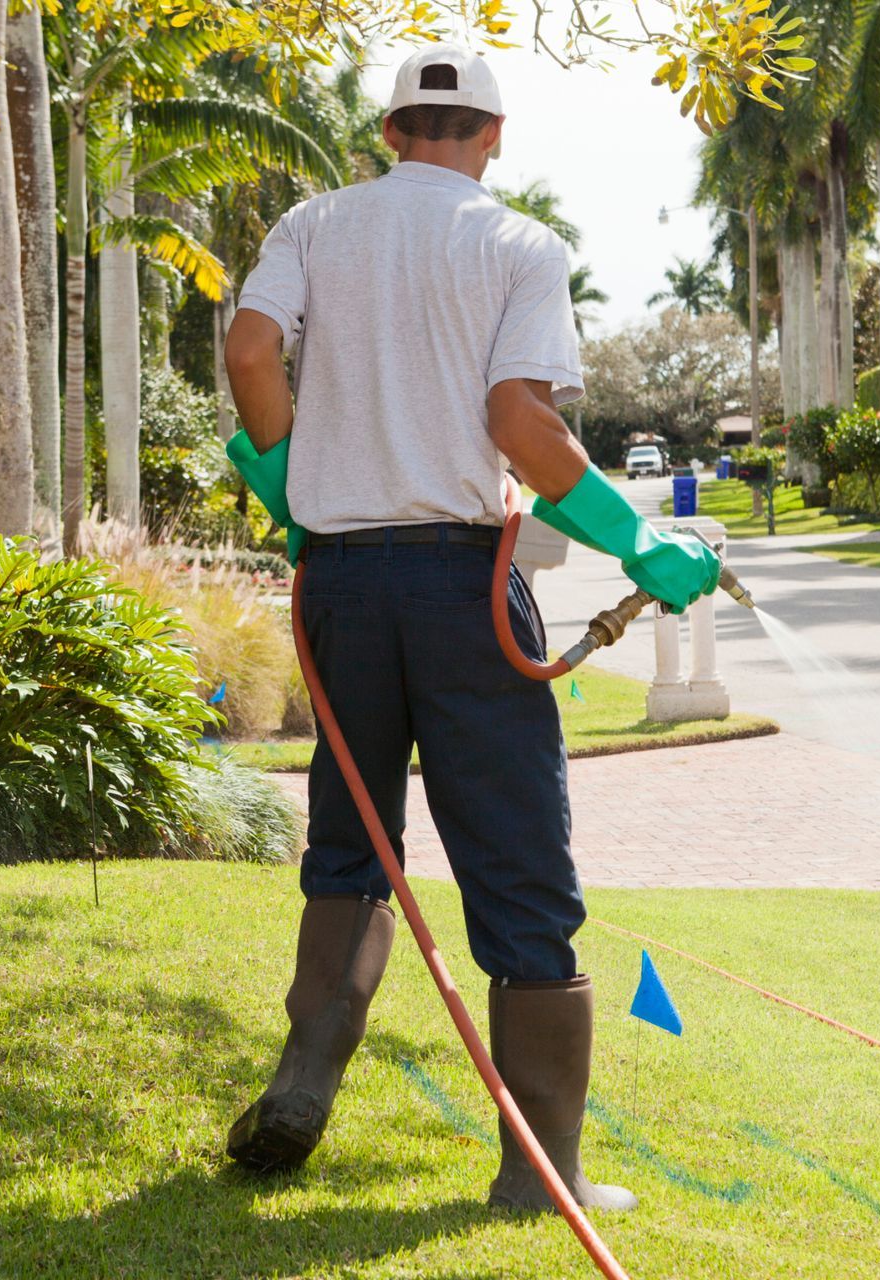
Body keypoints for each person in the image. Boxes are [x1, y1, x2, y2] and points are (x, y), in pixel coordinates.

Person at [220, 43, 720, 1212]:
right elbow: (519, 420)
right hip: (460, 581)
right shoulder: (517, 245)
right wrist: (638, 540)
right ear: (493, 138)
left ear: (389, 133)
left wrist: (290, 483)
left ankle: (304, 1073)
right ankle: (540, 1172)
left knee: (354, 842)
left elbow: (251, 350)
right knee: (517, 859)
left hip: (340, 585)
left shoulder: (316, 223)